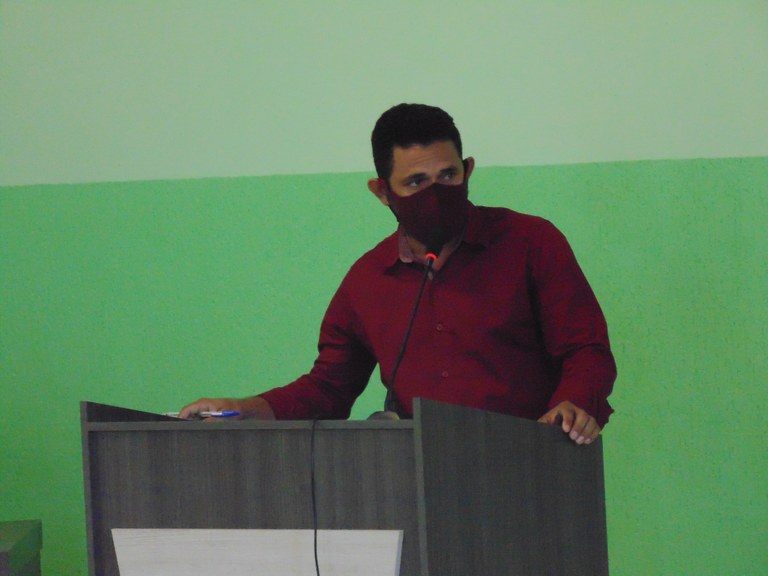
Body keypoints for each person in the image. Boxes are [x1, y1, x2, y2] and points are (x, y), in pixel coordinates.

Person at [180, 103, 616, 445]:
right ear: (382, 192)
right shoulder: (368, 280)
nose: (436, 193)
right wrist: (243, 408)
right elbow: (328, 388)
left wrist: (574, 404)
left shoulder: (531, 243)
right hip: (422, 479)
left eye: (448, 175)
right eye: (416, 182)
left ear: (468, 170)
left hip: (534, 465)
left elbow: (586, 350)